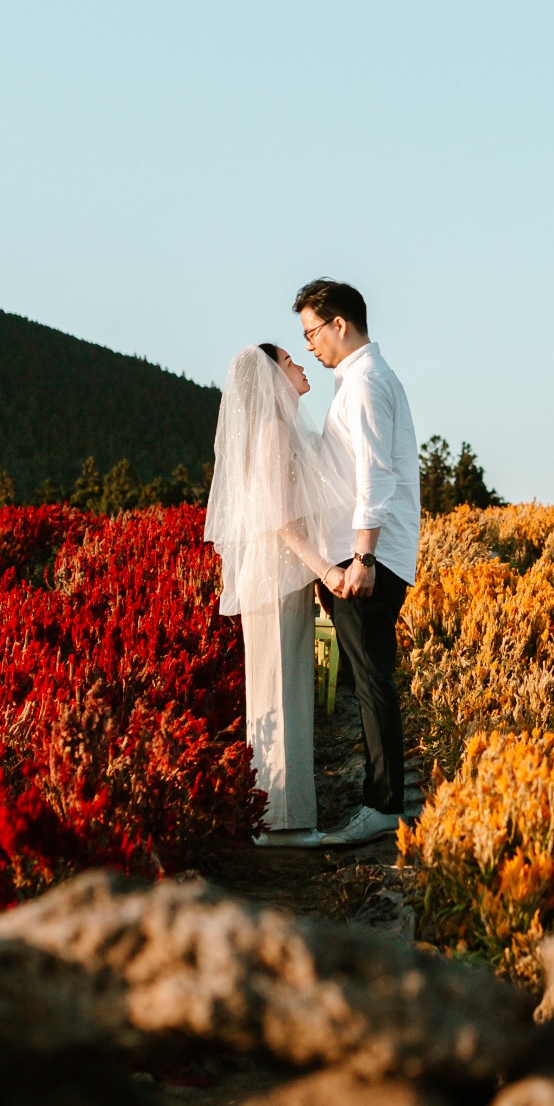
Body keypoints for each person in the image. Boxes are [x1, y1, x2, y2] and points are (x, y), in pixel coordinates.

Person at [203, 340, 345, 846]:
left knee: (278, 684)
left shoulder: (277, 430)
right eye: (289, 361)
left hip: (280, 576)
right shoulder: (273, 432)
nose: (301, 366)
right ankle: (282, 822)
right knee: (280, 684)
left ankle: (274, 815)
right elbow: (282, 519)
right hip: (278, 575)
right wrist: (325, 570)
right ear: (270, 379)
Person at [296, 277, 418, 847]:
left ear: (339, 323)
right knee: (368, 679)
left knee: (371, 680)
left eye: (313, 331)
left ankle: (383, 805)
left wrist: (363, 555)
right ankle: (381, 798)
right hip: (359, 553)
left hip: (366, 555)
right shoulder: (359, 381)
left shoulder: (366, 383)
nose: (309, 345)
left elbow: (376, 475)